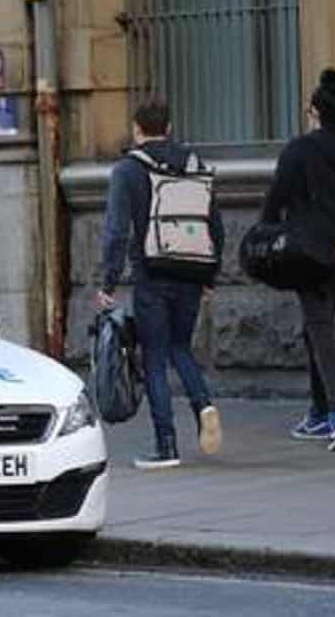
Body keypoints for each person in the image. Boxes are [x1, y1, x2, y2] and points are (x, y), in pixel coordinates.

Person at [97, 99, 225, 469]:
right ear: (168, 128)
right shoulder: (194, 164)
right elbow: (214, 226)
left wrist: (108, 281)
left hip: (152, 273)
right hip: (191, 271)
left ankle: (166, 445)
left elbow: (116, 231)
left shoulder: (128, 169)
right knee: (180, 347)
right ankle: (204, 405)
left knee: (154, 357)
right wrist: (210, 275)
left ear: (136, 129)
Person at [261, 68, 335, 452]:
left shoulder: (298, 151)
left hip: (313, 254)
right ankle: (318, 413)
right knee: (315, 326)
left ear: (314, 111)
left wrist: (263, 235)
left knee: (320, 330)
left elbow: (276, 200)